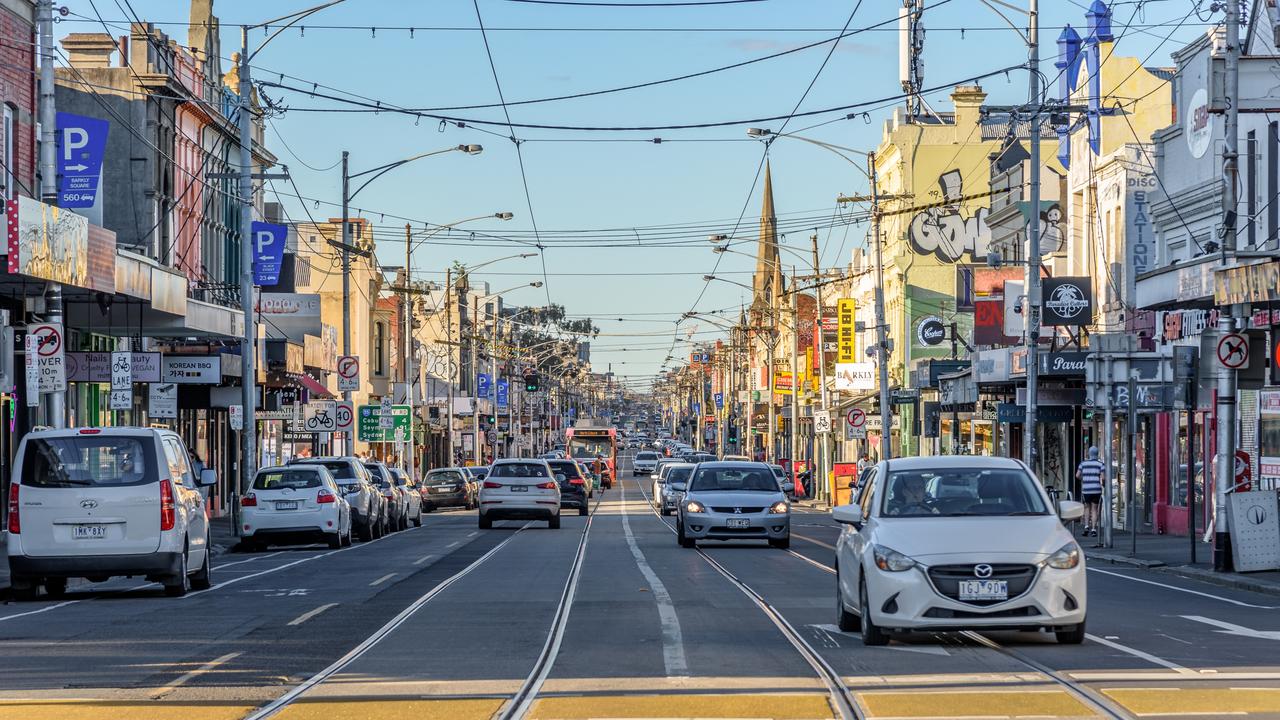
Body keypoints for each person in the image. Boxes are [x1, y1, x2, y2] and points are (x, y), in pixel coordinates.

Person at [1076, 446, 1105, 537]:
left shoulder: (1083, 464)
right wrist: (1103, 484)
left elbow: (1077, 475)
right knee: (1095, 509)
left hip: (1086, 489)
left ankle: (1086, 526)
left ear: (1089, 453)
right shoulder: (1100, 464)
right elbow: (1103, 477)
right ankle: (1093, 529)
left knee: (1087, 508)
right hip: (1096, 489)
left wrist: (1083, 480)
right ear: (1097, 454)